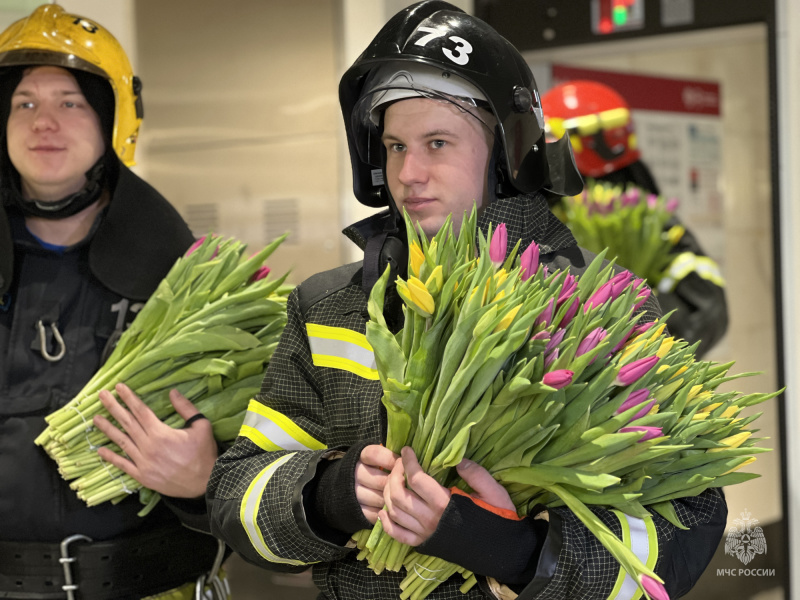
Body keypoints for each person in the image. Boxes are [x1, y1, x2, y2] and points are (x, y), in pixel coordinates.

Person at [207, 2, 727, 598]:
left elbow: (682, 534)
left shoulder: (596, 311)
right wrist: (330, 493)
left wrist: (509, 549)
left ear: (506, 158)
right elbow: (235, 493)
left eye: (437, 143)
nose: (409, 174)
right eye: (397, 146)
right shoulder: (327, 306)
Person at [0, 5, 227, 599]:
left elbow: (265, 459)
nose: (43, 122)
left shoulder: (185, 275)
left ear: (113, 119)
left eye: (70, 102)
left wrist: (207, 479)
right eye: (25, 102)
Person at [541, 79, 729, 358]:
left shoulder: (645, 218)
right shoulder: (541, 208)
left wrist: (633, 329)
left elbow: (708, 312)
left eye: (548, 137)